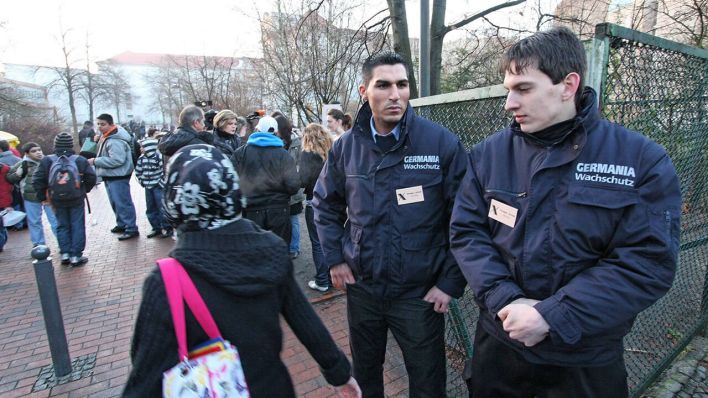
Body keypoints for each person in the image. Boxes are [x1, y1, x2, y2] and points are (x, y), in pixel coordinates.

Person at [449, 27, 681, 398]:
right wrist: (505, 299)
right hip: (501, 346)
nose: (509, 102)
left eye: (523, 88)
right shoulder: (488, 155)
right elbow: (467, 232)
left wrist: (554, 315)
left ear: (568, 85)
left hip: (584, 358)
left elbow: (647, 263)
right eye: (508, 89)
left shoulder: (639, 160)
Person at [123, 144, 361, 398]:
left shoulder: (167, 282)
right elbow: (305, 322)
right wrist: (340, 374)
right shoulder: (272, 249)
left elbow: (144, 379)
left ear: (173, 200)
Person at [313, 51, 468, 396]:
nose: (395, 94)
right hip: (363, 288)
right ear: (364, 91)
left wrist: (450, 281)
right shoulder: (346, 148)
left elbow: (465, 217)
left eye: (402, 84)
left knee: (427, 382)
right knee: (366, 374)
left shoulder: (439, 143)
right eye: (383, 85)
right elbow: (324, 204)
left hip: (419, 293)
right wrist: (335, 258)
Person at [232, 116, 300, 245]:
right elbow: (293, 186)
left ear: (257, 130)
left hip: (251, 211)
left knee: (254, 254)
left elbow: (231, 181)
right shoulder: (283, 155)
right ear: (275, 132)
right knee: (278, 253)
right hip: (278, 211)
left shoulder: (241, 153)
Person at [33, 133, 96, 266]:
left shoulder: (47, 160)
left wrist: (43, 196)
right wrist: (84, 190)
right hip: (76, 197)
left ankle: (65, 254)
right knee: (77, 225)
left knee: (62, 225)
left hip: (56, 198)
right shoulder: (79, 160)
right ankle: (76, 256)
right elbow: (91, 177)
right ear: (71, 144)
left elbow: (37, 180)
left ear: (55, 144)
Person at [87, 114, 140, 241]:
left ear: (111, 124)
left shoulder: (115, 140)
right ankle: (122, 224)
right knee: (115, 201)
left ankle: (131, 228)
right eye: (98, 124)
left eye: (103, 124)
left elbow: (117, 160)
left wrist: (95, 161)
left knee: (123, 202)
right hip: (112, 175)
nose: (99, 127)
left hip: (118, 175)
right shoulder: (107, 137)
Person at [299, 123, 333, 292]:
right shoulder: (332, 150)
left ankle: (322, 280)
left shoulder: (307, 154)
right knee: (332, 240)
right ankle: (332, 277)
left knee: (318, 243)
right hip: (333, 202)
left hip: (315, 201)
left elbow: (303, 179)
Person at [6, 142, 58, 248]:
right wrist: (18, 174)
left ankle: (62, 242)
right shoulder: (23, 164)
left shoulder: (48, 161)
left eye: (39, 150)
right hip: (31, 197)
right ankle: (39, 244)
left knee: (55, 220)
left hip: (48, 196)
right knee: (34, 222)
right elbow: (9, 178)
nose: (38, 152)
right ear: (27, 153)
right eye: (34, 151)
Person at [274, 114, 306, 259]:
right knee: (281, 219)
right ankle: (282, 247)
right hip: (278, 188)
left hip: (293, 187)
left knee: (293, 219)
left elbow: (301, 163)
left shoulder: (297, 142)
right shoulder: (274, 142)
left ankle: (294, 248)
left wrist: (293, 178)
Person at [134, 138, 171, 239]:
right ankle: (156, 227)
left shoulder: (158, 157)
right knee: (150, 208)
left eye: (142, 147)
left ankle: (167, 227)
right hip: (148, 187)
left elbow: (163, 171)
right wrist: (142, 181)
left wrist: (161, 183)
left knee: (161, 207)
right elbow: (138, 171)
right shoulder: (141, 158)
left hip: (157, 186)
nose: (141, 149)